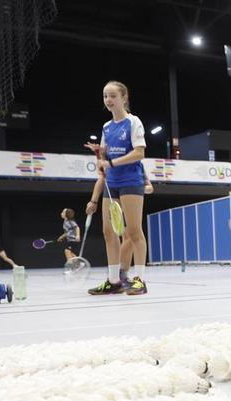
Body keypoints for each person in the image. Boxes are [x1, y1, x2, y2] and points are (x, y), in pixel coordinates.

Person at [84, 80, 148, 296]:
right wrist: (99, 154)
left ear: (124, 97)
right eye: (105, 96)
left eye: (112, 96)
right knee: (108, 231)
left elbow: (139, 153)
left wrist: (111, 163)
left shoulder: (133, 122)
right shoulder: (106, 127)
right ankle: (114, 281)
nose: (108, 100)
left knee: (134, 231)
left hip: (130, 181)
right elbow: (105, 155)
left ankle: (139, 280)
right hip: (111, 183)